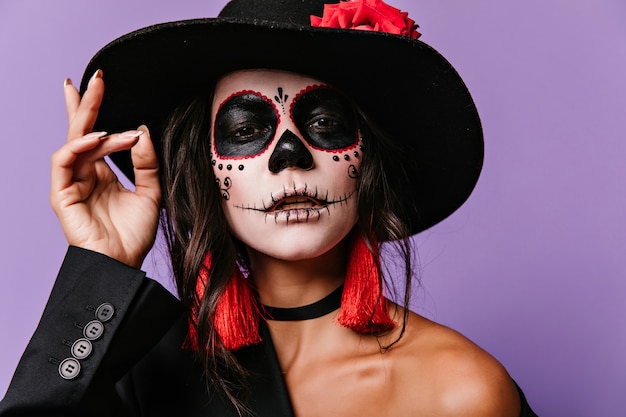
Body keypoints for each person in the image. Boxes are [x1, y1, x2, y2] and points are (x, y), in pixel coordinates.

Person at [0, 0, 538, 416]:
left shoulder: (457, 389)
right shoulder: (139, 372)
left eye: (324, 124)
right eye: (246, 130)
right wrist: (102, 264)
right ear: (203, 173)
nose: (290, 156)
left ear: (368, 162)